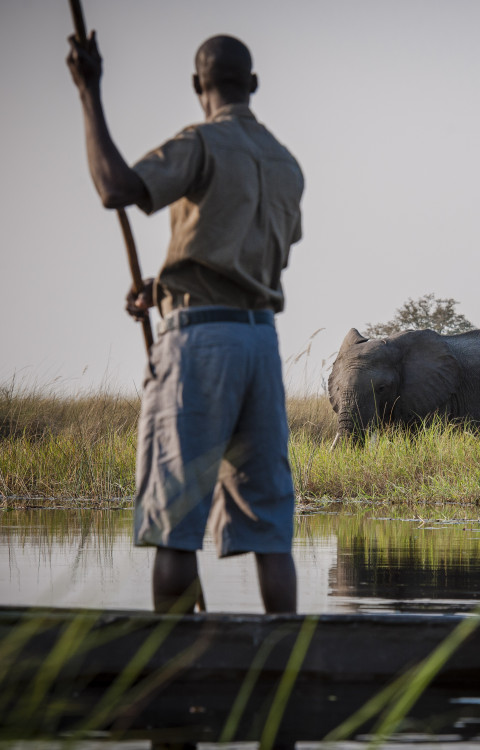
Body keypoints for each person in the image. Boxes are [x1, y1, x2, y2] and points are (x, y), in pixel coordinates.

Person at [67, 31, 303, 614]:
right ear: (252, 84)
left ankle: (170, 680)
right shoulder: (285, 164)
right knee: (270, 529)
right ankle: (287, 665)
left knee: (174, 522)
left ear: (199, 86)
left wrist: (89, 92)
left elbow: (115, 188)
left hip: (201, 345)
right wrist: (161, 289)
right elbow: (249, 257)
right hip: (260, 344)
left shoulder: (201, 142)